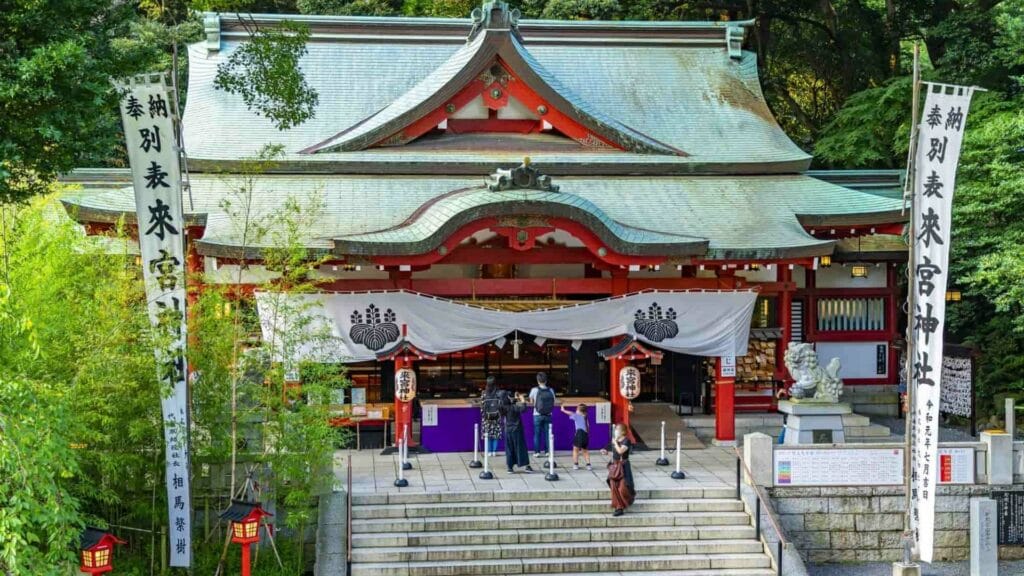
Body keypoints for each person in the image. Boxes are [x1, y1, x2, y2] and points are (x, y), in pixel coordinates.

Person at [602, 423, 635, 516]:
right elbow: (614, 453)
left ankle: (626, 501)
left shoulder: (626, 441)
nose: (616, 431)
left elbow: (620, 451)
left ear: (623, 431)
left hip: (623, 466)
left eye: (617, 429)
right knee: (613, 486)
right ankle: (618, 507)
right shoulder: (615, 440)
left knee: (622, 487)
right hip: (615, 466)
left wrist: (615, 442)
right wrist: (606, 452)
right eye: (615, 429)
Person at [503, 391, 533, 473]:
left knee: (509, 448)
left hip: (508, 429)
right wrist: (522, 399)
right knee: (521, 448)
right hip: (517, 429)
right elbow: (524, 409)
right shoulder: (515, 407)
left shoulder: (505, 407)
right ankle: (526, 466)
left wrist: (514, 399)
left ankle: (510, 467)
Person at [529, 372, 556, 457]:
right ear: (546, 380)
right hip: (548, 414)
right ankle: (548, 451)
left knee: (537, 434)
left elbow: (531, 402)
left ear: (538, 381)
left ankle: (537, 452)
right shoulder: (551, 390)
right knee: (548, 434)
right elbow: (553, 401)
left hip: (537, 414)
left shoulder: (534, 390)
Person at [560, 403, 591, 470]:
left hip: (579, 434)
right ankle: (588, 465)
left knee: (575, 450)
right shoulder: (585, 417)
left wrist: (563, 410)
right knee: (585, 451)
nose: (575, 410)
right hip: (585, 435)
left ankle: (575, 464)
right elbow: (588, 427)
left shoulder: (577, 416)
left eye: (576, 409)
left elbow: (570, 413)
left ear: (579, 411)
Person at [480, 376, 503, 457]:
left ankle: (489, 451)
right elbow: (501, 405)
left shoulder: (484, 393)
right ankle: (494, 451)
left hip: (487, 417)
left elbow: (482, 406)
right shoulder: (499, 393)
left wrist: (483, 415)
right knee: (496, 434)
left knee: (488, 434)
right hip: (497, 416)